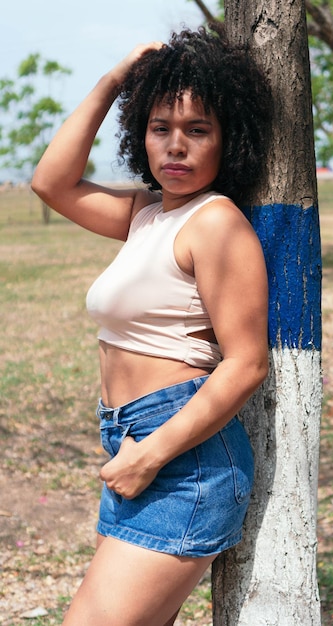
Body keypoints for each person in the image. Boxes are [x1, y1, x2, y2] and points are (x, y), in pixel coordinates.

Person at [32, 25, 272, 626]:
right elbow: (51, 183)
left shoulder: (214, 224)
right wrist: (116, 80)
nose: (176, 147)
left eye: (198, 130)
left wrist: (151, 454)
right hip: (131, 439)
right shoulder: (147, 216)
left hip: (181, 456)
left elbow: (247, 363)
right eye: (160, 128)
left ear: (228, 141)